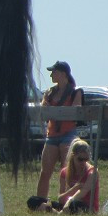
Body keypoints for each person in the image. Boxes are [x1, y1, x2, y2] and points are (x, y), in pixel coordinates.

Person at [36, 61, 83, 199]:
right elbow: (43, 110)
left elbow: (75, 111)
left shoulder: (75, 92)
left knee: (66, 172)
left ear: (63, 74)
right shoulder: (49, 92)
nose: (51, 74)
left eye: (54, 72)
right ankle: (40, 201)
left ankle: (65, 201)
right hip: (52, 136)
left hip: (68, 134)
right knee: (45, 172)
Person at [27, 138, 99, 214]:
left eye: (86, 159)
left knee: (74, 204)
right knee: (33, 200)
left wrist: (69, 202)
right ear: (73, 156)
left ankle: (54, 212)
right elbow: (61, 199)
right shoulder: (65, 172)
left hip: (85, 207)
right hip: (66, 206)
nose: (83, 163)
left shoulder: (92, 172)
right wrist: (73, 190)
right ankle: (56, 212)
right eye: (80, 159)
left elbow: (83, 192)